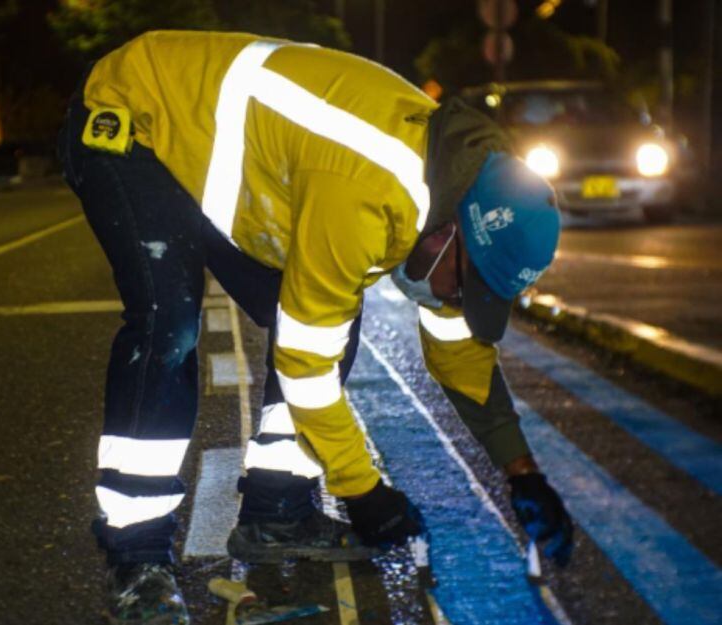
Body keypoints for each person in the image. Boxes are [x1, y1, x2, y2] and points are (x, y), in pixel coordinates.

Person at [58, 31, 574, 625]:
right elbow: (304, 367)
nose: (456, 300)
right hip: (134, 118)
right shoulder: (367, 190)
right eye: (464, 286)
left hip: (227, 159)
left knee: (329, 315)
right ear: (449, 236)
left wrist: (522, 474)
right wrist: (364, 492)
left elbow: (460, 351)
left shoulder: (468, 188)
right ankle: (137, 553)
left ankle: (276, 511)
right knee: (168, 324)